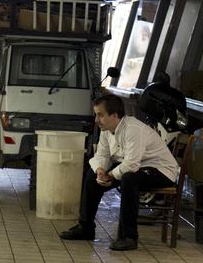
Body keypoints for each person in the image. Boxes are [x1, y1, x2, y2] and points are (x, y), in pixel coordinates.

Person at [59, 94, 179, 251]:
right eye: (96, 114)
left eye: (100, 115)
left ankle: (129, 237)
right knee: (91, 174)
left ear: (114, 115)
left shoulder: (133, 129)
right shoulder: (106, 129)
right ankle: (86, 227)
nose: (96, 119)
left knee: (129, 179)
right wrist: (101, 170)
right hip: (136, 168)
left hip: (161, 171)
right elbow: (102, 155)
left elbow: (131, 163)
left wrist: (110, 175)